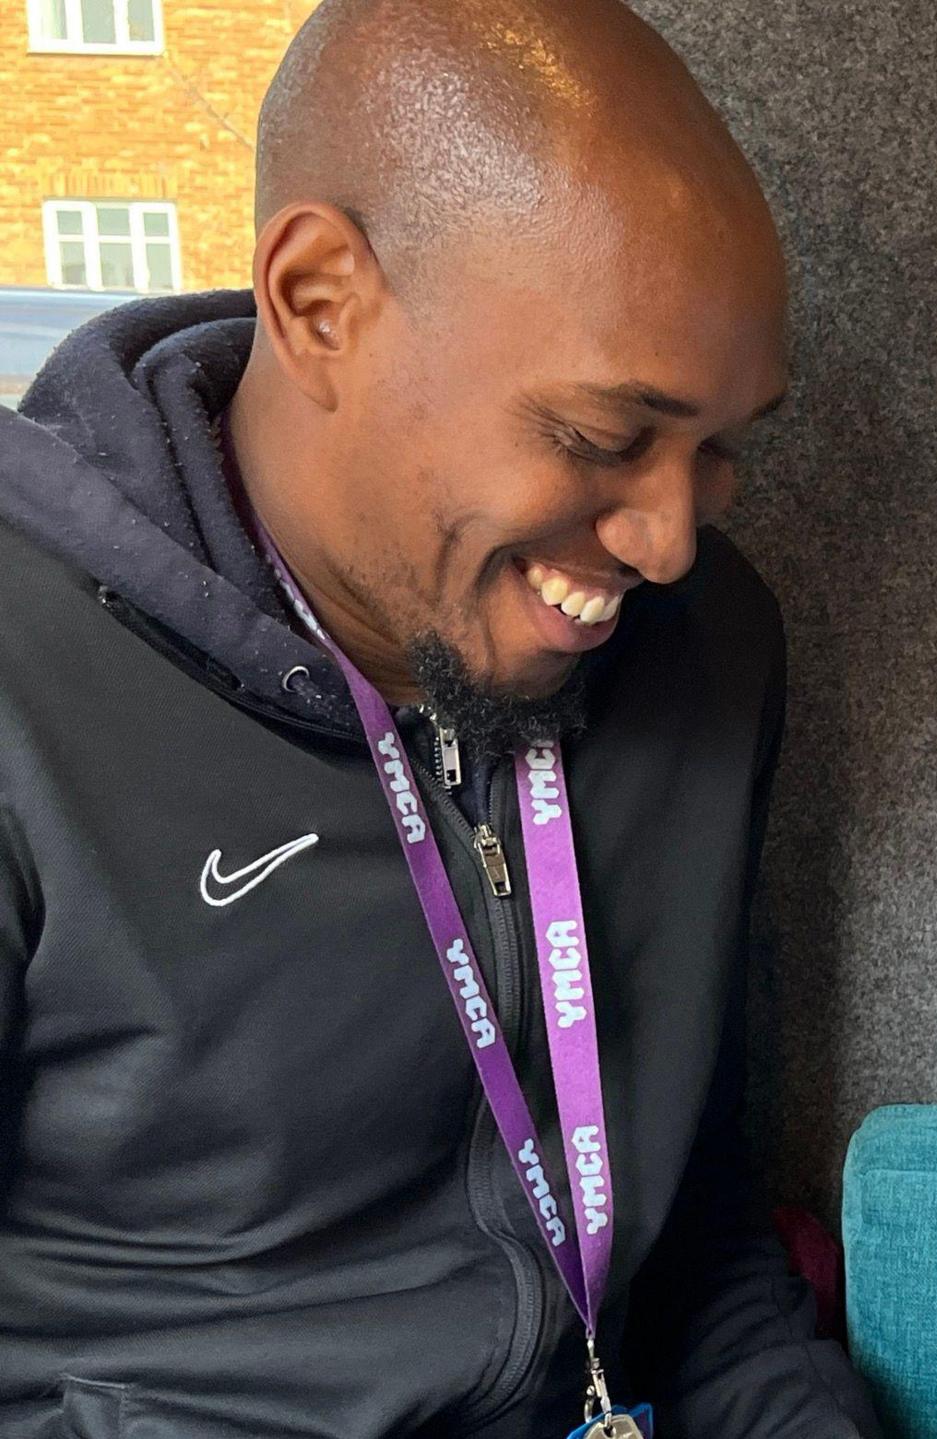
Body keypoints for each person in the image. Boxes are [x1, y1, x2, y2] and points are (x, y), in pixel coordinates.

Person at [0, 1, 882, 1433]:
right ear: (320, 303)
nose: (668, 537)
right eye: (603, 438)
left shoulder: (708, 649)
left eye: (721, 450)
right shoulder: (25, 682)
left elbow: (689, 1243)